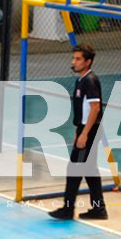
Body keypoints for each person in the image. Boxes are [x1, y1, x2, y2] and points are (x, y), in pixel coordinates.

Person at [48, 44, 108, 220]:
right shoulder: (81, 80)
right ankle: (99, 209)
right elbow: (82, 110)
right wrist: (78, 130)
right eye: (73, 58)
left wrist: (85, 133)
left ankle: (68, 209)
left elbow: (95, 108)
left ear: (88, 62)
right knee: (89, 169)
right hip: (85, 128)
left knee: (74, 168)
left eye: (78, 59)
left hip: (91, 129)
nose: (74, 62)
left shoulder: (90, 80)